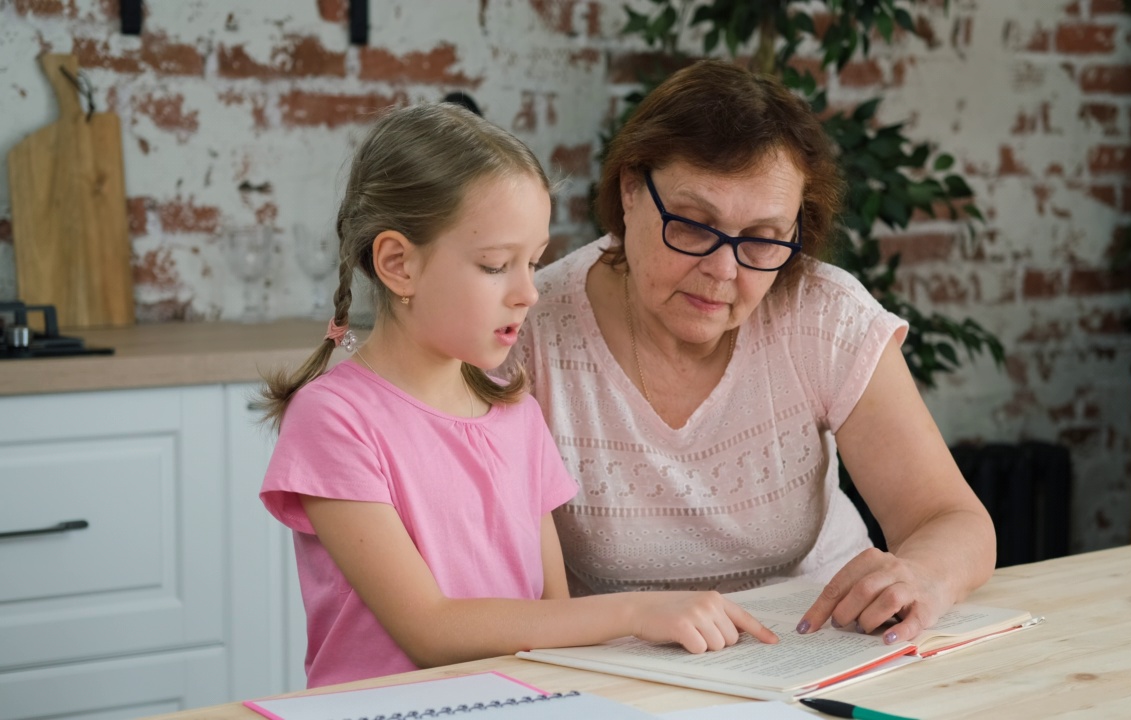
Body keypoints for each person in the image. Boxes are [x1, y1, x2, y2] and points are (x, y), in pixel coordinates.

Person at [256, 103, 777, 688]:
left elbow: (553, 618)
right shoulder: (334, 420)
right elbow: (429, 631)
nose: (528, 292)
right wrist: (635, 610)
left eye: (533, 263)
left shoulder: (514, 411)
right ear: (398, 265)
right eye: (496, 265)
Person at [504, 59, 998, 646]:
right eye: (691, 224)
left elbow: (952, 519)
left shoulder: (822, 313)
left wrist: (923, 577)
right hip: (630, 667)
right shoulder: (529, 331)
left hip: (820, 643)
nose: (722, 270)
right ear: (631, 190)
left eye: (763, 239)